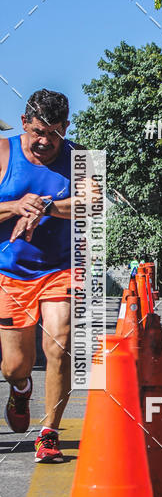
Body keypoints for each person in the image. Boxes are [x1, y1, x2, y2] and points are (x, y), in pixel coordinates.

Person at [0, 89, 78, 463]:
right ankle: (20, 387)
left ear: (66, 127)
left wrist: (47, 206)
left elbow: (93, 203)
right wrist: (15, 206)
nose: (44, 141)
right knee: (15, 364)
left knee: (59, 344)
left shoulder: (81, 159)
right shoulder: (3, 153)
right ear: (23, 124)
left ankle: (49, 434)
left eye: (54, 132)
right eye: (37, 132)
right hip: (11, 274)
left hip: (61, 269)